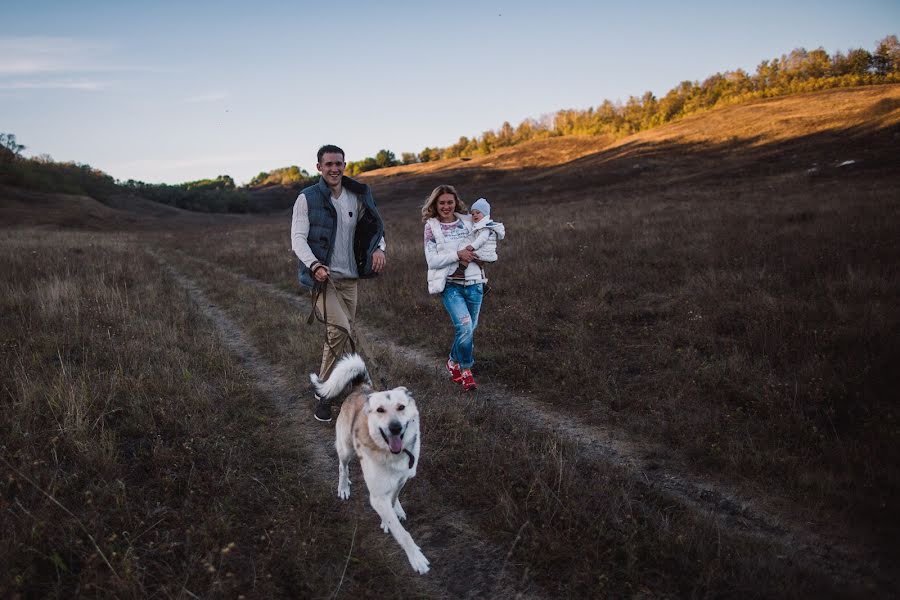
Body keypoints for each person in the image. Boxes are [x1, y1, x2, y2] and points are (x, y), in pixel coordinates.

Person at [291, 144, 386, 422]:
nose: (334, 168)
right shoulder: (306, 198)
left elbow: (375, 227)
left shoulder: (357, 196)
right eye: (329, 164)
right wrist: (314, 265)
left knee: (340, 335)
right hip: (324, 280)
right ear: (319, 167)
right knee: (339, 331)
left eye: (339, 163)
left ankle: (342, 385)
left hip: (350, 279)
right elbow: (297, 239)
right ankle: (325, 394)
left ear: (345, 165)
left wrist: (379, 248)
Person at [422, 185, 505, 391]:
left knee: (468, 330)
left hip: (476, 283)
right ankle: (466, 369)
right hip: (451, 285)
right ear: (435, 204)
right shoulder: (431, 227)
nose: (446, 206)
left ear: (455, 202)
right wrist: (458, 255)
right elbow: (432, 260)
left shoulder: (470, 221)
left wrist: (483, 258)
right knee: (465, 326)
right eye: (441, 203)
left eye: (450, 202)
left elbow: (487, 240)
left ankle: (452, 361)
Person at [447, 197, 503, 278]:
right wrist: (454, 213)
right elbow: (465, 217)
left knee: (467, 256)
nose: (474, 215)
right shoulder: (479, 223)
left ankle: (459, 273)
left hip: (485, 250)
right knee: (478, 265)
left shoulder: (485, 226)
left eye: (478, 213)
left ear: (485, 214)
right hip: (482, 250)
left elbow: (482, 239)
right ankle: (484, 285)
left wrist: (473, 246)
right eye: (473, 214)